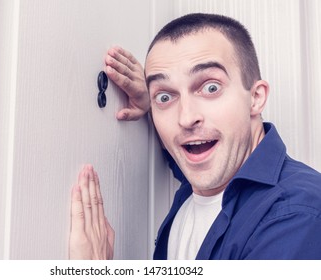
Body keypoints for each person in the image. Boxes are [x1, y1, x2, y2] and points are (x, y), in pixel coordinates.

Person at [69, 13, 321, 260]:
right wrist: (152, 103)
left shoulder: (296, 215)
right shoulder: (208, 174)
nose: (185, 118)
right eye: (166, 96)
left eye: (210, 88)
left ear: (255, 97)